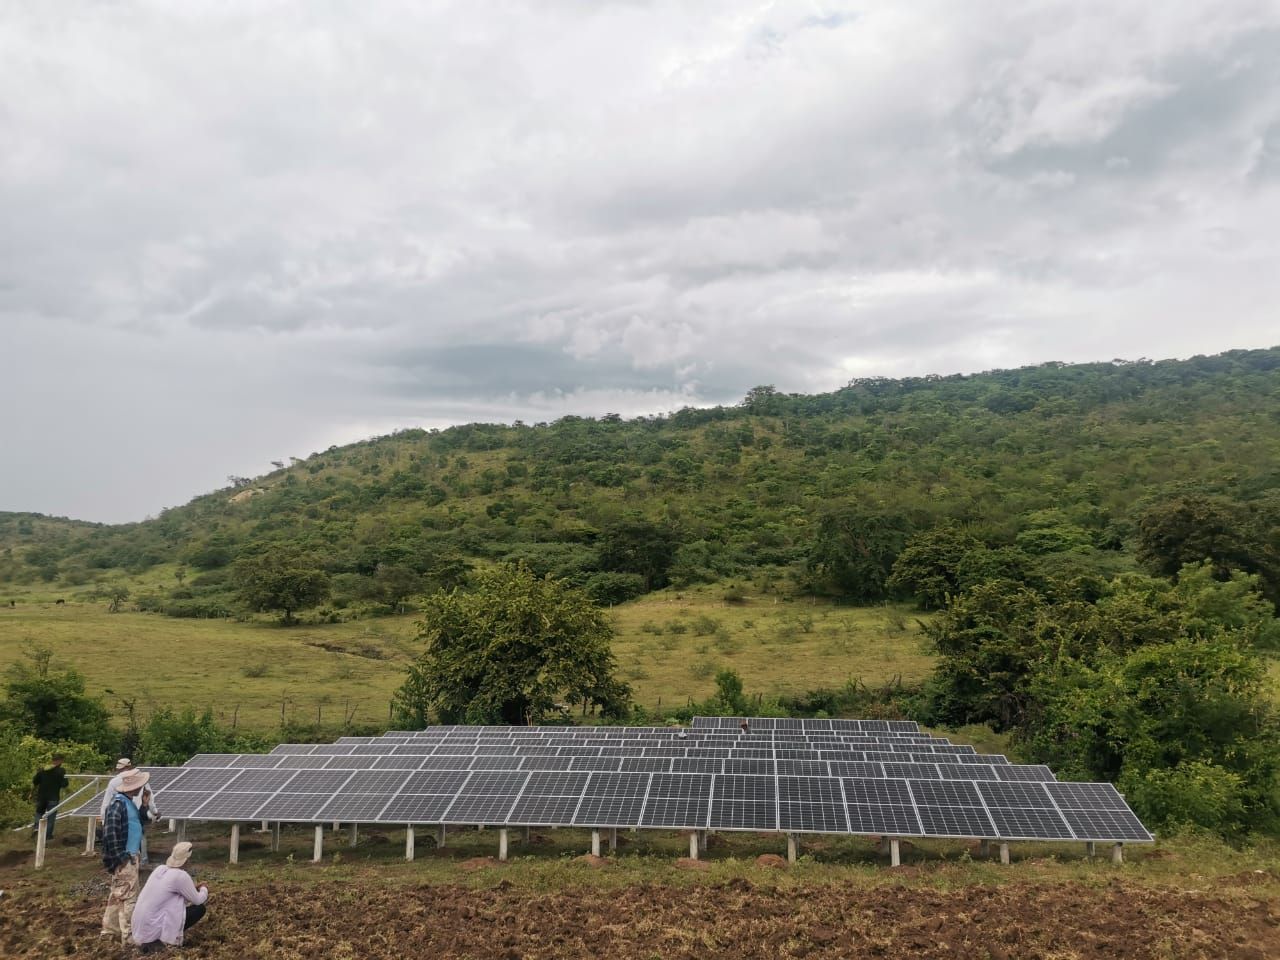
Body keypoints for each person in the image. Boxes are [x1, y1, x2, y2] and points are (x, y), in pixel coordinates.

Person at [100, 768, 156, 945]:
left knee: (118, 893)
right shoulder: (118, 804)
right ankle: (129, 936)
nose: (142, 788)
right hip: (126, 857)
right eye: (140, 785)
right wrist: (121, 857)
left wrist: (145, 806)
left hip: (131, 855)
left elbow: (138, 822)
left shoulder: (129, 802)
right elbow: (110, 834)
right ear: (133, 787)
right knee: (128, 896)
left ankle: (109, 930)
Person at [131, 841, 209, 952]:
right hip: (152, 930)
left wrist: (194, 888)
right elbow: (197, 900)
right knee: (200, 908)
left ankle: (156, 939)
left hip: (140, 928)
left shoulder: (160, 869)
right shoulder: (181, 876)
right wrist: (204, 889)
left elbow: (168, 892)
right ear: (187, 860)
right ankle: (164, 939)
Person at [32, 754, 69, 840]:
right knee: (51, 816)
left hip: (41, 796)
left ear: (52, 760)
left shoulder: (43, 770)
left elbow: (35, 781)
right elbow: (64, 784)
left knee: (39, 813)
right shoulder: (61, 771)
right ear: (60, 761)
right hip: (53, 797)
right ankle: (47, 835)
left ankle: (37, 828)